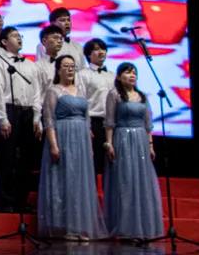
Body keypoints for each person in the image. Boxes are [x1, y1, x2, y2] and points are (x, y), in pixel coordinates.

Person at [37, 55, 107, 240]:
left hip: (81, 139)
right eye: (66, 66)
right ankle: (64, 227)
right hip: (63, 136)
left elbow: (87, 119)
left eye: (72, 66)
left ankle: (79, 226)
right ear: (58, 69)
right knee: (63, 179)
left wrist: (89, 145)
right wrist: (53, 145)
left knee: (79, 181)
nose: (70, 69)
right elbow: (49, 120)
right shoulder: (53, 91)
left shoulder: (80, 90)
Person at [103, 62, 163, 240]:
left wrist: (150, 145)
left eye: (134, 72)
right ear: (119, 76)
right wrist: (109, 143)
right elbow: (109, 121)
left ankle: (143, 226)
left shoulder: (142, 96)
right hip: (122, 138)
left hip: (140, 141)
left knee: (141, 181)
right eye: (128, 72)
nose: (132, 75)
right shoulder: (114, 94)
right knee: (125, 180)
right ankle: (125, 227)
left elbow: (148, 124)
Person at [0, 26, 43, 213]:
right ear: (4, 42)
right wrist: (2, 118)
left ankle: (22, 200)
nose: (19, 38)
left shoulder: (31, 65)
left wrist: (37, 117)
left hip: (28, 112)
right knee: (8, 157)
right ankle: (7, 201)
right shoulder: (0, 63)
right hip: (10, 110)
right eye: (14, 36)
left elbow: (37, 92)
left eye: (19, 35)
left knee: (27, 158)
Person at [79, 38, 116, 177]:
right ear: (89, 54)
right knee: (92, 163)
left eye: (103, 49)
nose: (101, 52)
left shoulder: (112, 76)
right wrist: (86, 126)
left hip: (111, 124)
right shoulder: (83, 75)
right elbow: (81, 101)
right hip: (94, 122)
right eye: (96, 49)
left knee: (112, 163)